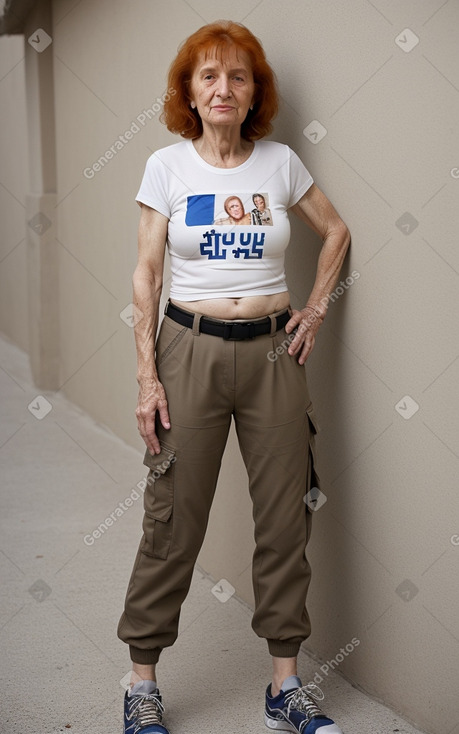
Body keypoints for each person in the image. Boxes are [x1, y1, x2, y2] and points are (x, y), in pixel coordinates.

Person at [118, 19, 350, 734]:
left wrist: (314, 308)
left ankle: (284, 686)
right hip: (188, 348)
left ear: (255, 94)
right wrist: (147, 379)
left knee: (283, 515)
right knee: (172, 517)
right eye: (208, 76)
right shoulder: (166, 166)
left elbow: (336, 231)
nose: (224, 88)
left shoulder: (279, 163)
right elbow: (147, 273)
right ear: (189, 91)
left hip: (272, 356)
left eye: (238, 76)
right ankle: (141, 683)